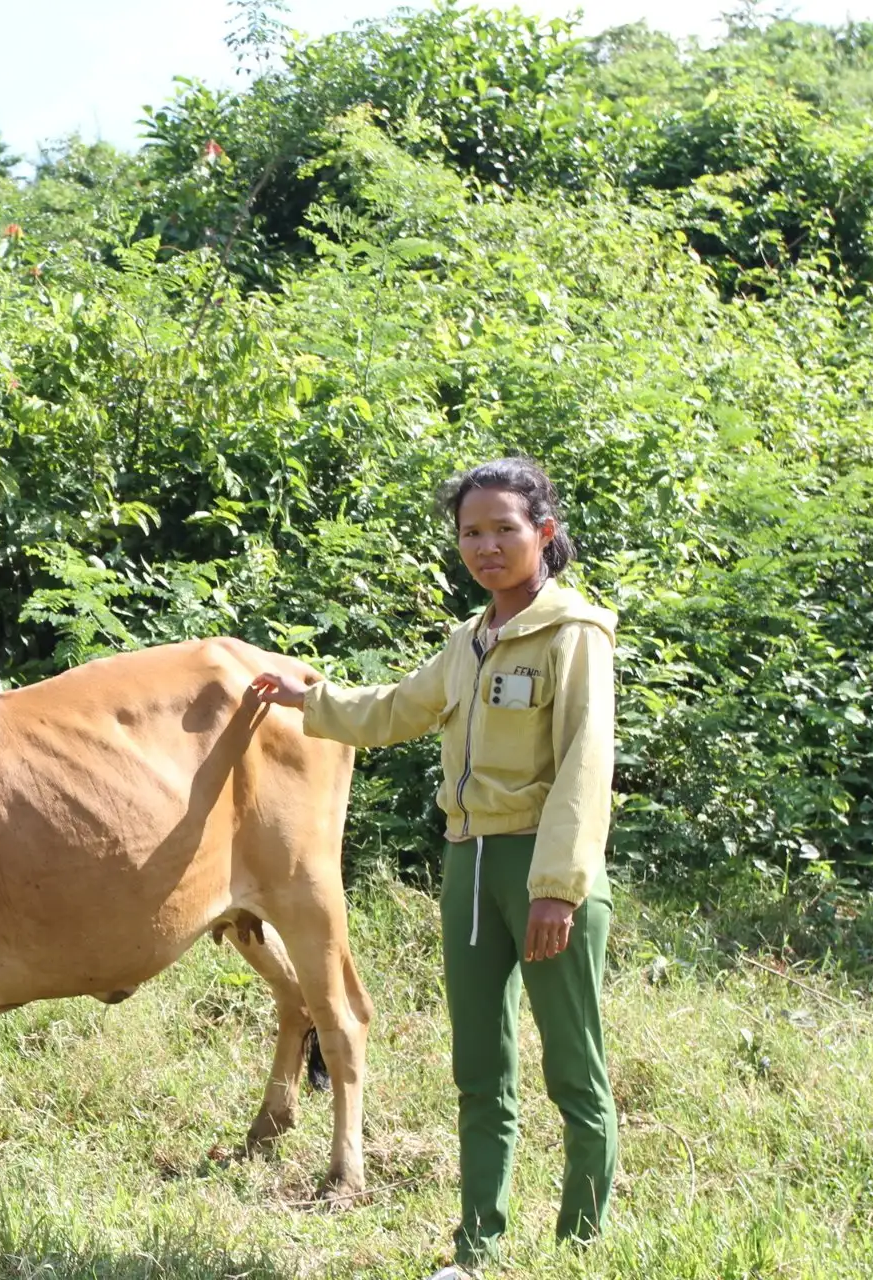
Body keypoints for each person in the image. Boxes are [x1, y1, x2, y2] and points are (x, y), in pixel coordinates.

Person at [251, 457, 617, 1278]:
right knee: (479, 1068)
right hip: (469, 865)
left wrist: (556, 889)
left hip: (542, 870)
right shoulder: (469, 641)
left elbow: (584, 771)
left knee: (573, 1066)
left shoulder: (575, 635)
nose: (486, 546)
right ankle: (475, 1250)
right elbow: (393, 710)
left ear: (544, 535)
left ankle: (582, 1250)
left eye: (504, 530)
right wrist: (302, 697)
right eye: (471, 533)